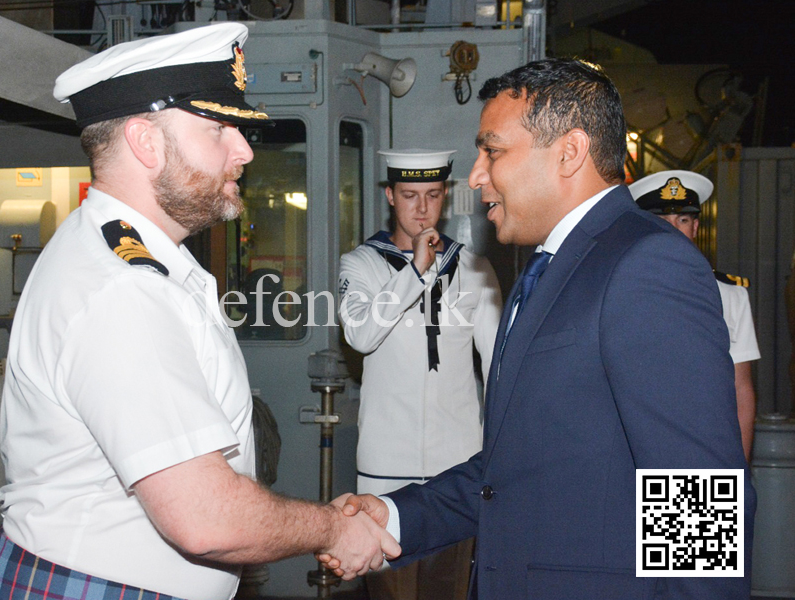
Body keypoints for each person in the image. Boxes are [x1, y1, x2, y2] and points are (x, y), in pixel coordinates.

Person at [0, 23, 398, 600]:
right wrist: (332, 528)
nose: (244, 149)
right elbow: (205, 519)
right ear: (146, 142)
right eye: (220, 128)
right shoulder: (121, 288)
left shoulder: (139, 261)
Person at [322, 58, 756, 599]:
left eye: (493, 150)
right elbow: (514, 467)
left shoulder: (646, 265)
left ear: (569, 153)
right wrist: (393, 514)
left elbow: (700, 499)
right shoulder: (549, 267)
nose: (477, 174)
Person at [337, 149, 502, 600]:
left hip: (457, 467)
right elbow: (361, 335)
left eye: (432, 195)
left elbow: (498, 364)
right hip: (385, 469)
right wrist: (414, 272)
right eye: (409, 195)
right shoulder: (361, 266)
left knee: (448, 590)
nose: (422, 208)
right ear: (390, 196)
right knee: (392, 593)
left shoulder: (473, 268)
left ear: (445, 197)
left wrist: (496, 449)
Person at [630, 170, 761, 460]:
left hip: (704, 452)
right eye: (662, 222)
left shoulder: (731, 295)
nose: (674, 231)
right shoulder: (622, 292)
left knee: (700, 508)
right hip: (637, 455)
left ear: (696, 227)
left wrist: (739, 467)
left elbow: (741, 388)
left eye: (683, 220)